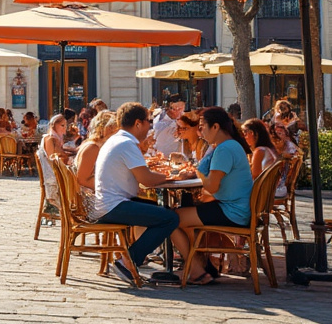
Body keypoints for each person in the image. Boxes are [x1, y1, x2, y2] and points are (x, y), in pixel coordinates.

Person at [89, 102, 187, 285]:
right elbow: (146, 179)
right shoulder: (126, 143)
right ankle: (128, 260)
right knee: (170, 218)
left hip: (109, 202)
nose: (151, 126)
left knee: (162, 211)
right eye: (148, 121)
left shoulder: (118, 140)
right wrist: (174, 177)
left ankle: (135, 258)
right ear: (138, 123)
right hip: (114, 206)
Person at [173, 107, 255, 285]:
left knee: (171, 219)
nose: (200, 130)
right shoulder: (231, 145)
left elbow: (211, 186)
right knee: (186, 217)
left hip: (232, 211)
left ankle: (197, 269)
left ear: (216, 127)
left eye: (202, 126)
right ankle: (201, 264)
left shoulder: (224, 150)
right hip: (238, 208)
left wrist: (199, 170)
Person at [242, 119, 289, 201]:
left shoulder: (259, 151)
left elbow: (255, 176)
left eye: (245, 134)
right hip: (278, 188)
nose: (244, 137)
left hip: (269, 191)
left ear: (252, 133)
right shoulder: (269, 148)